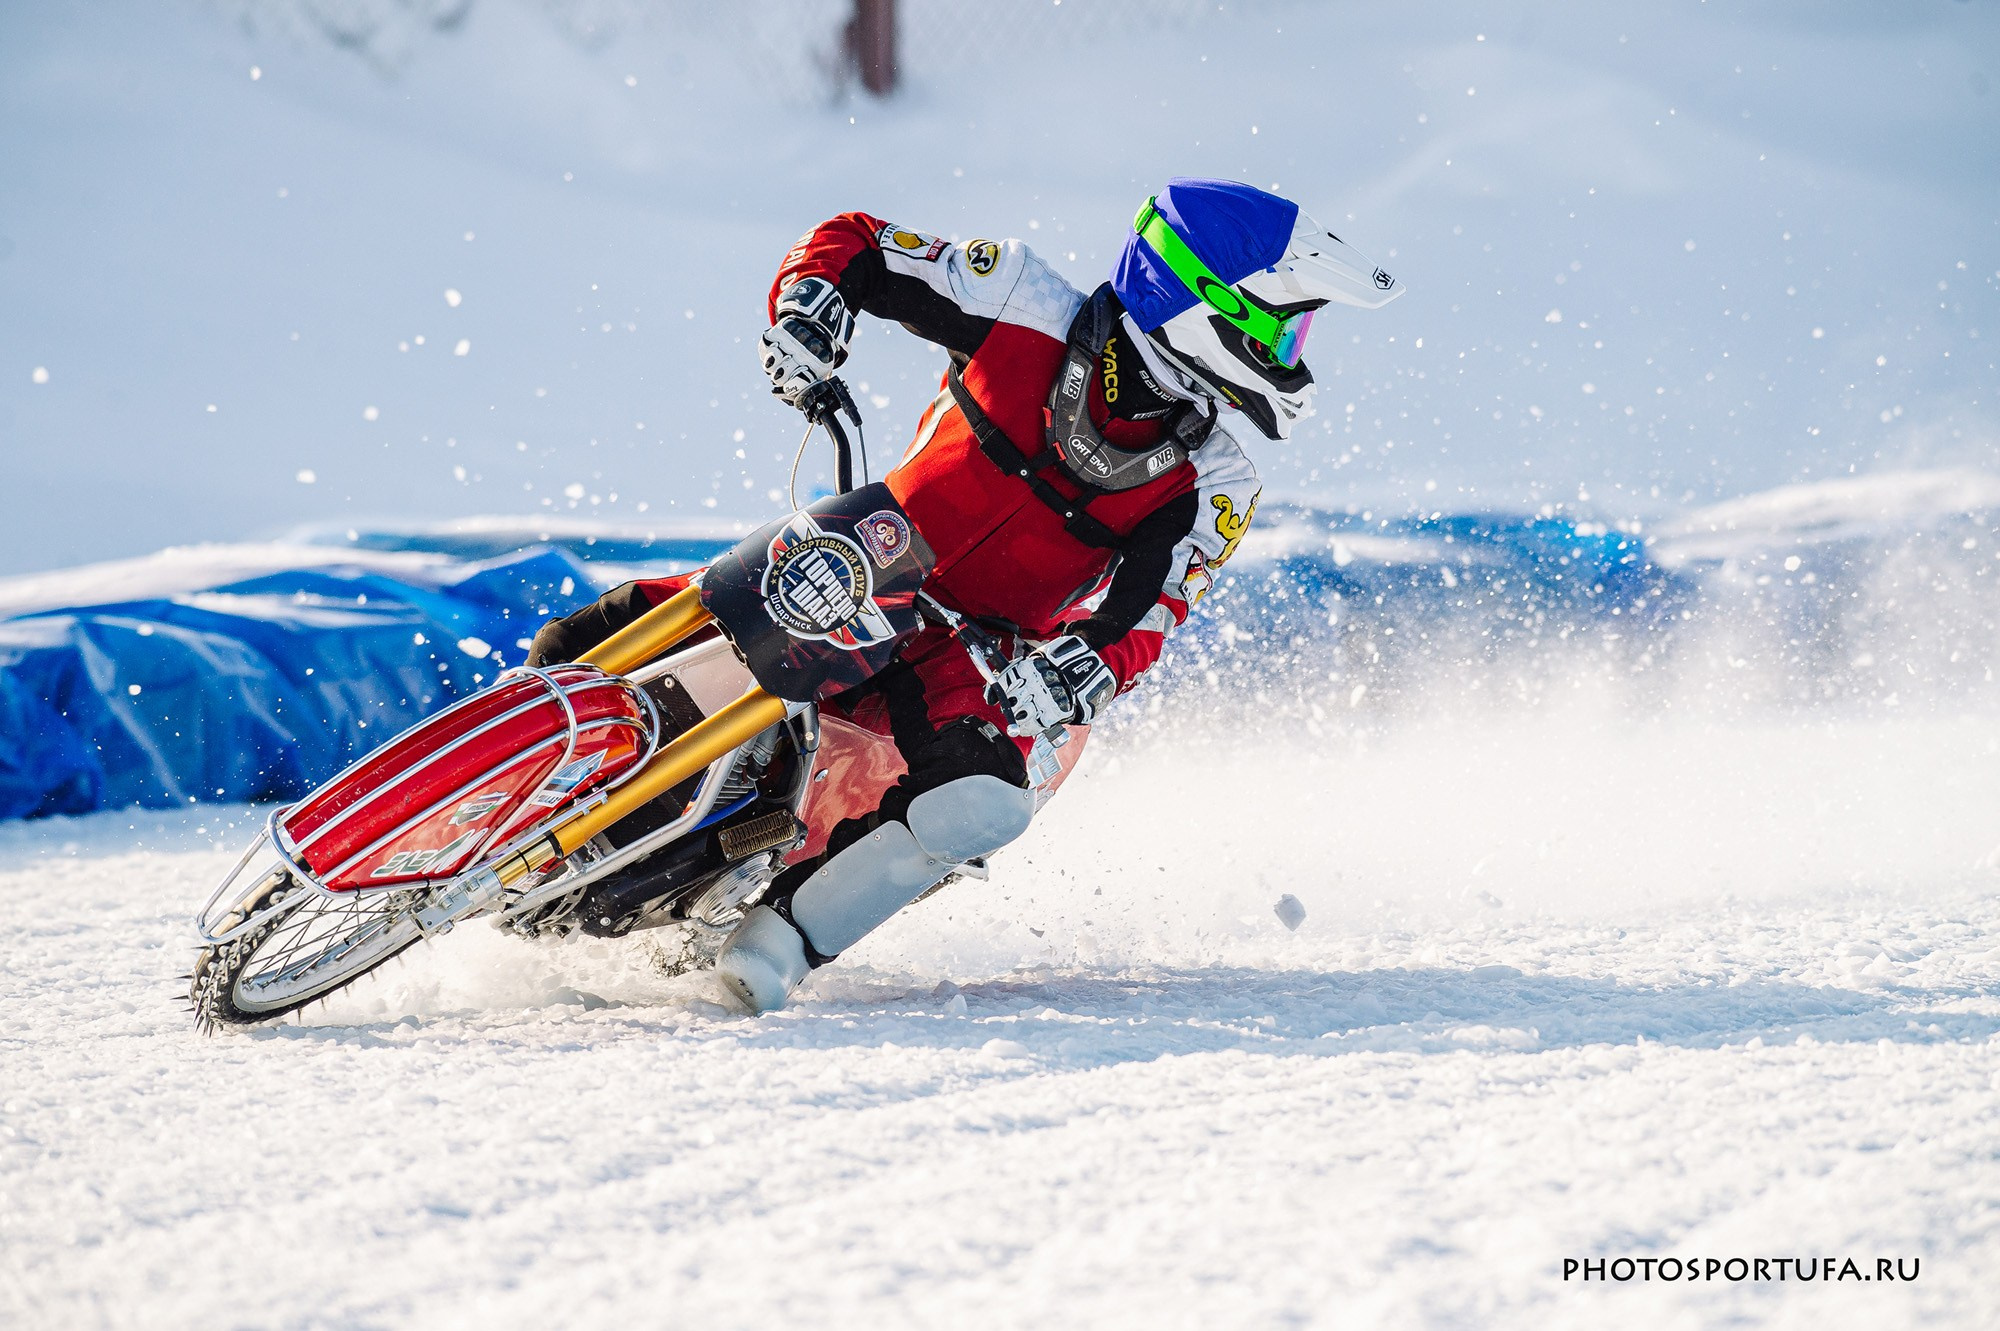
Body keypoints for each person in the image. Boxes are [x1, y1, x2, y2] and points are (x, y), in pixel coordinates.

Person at [530, 178, 1404, 1012]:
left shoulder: (1216, 482)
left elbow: (1145, 615)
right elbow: (860, 244)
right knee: (588, 635)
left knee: (980, 799)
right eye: (1286, 332)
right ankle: (489, 787)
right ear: (1211, 304)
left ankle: (778, 942)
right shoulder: (1019, 294)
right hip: (868, 551)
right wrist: (808, 305)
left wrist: (1082, 670)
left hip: (983, 659)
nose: (1292, 361)